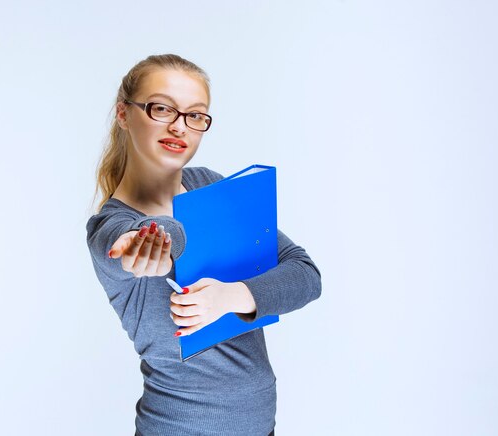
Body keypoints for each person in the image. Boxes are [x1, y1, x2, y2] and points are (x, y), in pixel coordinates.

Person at [85, 53, 322, 436]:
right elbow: (155, 235)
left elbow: (305, 275)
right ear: (124, 115)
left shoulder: (210, 185)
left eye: (195, 115)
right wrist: (149, 244)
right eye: (162, 108)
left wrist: (231, 297)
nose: (180, 127)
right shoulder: (111, 227)